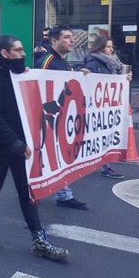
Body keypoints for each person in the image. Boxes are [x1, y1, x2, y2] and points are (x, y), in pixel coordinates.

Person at [0, 35, 68, 260]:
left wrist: (82, 77)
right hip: (1, 145)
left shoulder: (15, 73)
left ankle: (38, 239)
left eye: (22, 50)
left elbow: (47, 86)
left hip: (18, 143)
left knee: (26, 190)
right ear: (5, 54)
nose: (23, 54)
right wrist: (15, 143)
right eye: (18, 51)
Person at [35, 25, 88, 210]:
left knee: (57, 157)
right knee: (41, 157)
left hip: (59, 119)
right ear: (54, 41)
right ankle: (33, 191)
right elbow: (37, 89)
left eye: (71, 37)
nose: (71, 40)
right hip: (46, 119)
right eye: (66, 37)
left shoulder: (62, 62)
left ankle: (64, 195)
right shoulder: (48, 61)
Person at [84, 36, 130, 179]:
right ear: (100, 48)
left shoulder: (114, 63)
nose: (111, 49)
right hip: (97, 108)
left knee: (103, 136)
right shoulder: (93, 62)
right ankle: (103, 166)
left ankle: (102, 164)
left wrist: (125, 78)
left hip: (108, 107)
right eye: (108, 47)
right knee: (98, 136)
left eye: (112, 47)